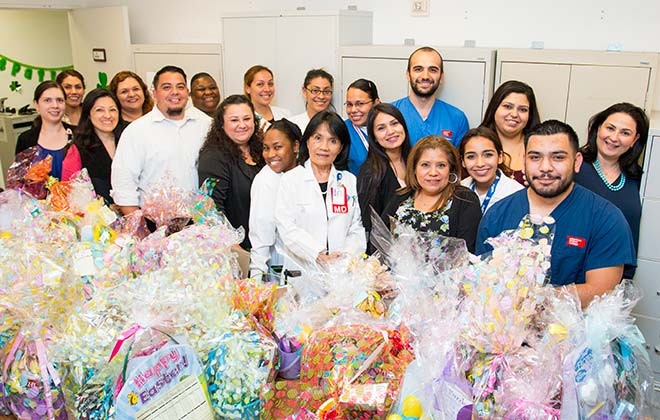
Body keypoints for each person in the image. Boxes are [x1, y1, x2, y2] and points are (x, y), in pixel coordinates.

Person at [476, 120, 636, 308]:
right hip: (504, 332)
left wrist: (536, 298)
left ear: (576, 162)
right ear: (524, 160)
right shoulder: (497, 215)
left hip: (575, 333)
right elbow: (483, 282)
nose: (545, 167)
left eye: (558, 157)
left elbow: (601, 291)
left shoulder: (605, 218)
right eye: (535, 157)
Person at [111, 65, 212, 215]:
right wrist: (141, 231)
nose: (175, 92)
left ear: (187, 93)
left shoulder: (205, 124)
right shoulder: (137, 131)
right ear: (154, 93)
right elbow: (124, 187)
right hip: (156, 226)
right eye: (166, 87)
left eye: (180, 86)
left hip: (200, 221)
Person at [275, 111, 365, 271]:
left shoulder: (349, 181)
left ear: (341, 147)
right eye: (318, 138)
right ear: (307, 141)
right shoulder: (290, 180)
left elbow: (356, 227)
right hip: (304, 271)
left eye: (333, 141)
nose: (324, 147)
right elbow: (287, 228)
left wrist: (345, 259)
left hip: (342, 272)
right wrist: (318, 254)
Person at [575, 103, 648, 279]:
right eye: (610, 128)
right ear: (598, 128)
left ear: (635, 140)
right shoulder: (574, 165)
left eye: (625, 133)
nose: (614, 138)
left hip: (619, 277)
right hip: (573, 275)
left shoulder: (637, 179)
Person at [382, 136, 481, 252]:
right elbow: (380, 240)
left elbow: (466, 252)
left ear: (451, 169)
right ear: (414, 168)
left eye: (441, 165)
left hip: (450, 270)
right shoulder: (401, 197)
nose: (433, 172)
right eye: (425, 165)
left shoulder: (465, 200)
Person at [198, 95, 264, 250]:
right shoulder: (213, 156)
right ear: (221, 124)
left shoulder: (261, 150)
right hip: (235, 249)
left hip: (262, 245)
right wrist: (234, 247)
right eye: (234, 120)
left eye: (247, 119)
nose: (242, 125)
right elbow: (209, 209)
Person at [249, 119, 301, 279]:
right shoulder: (266, 181)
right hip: (279, 266)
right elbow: (261, 237)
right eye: (266, 148)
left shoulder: (305, 173)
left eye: (277, 147)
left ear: (295, 146)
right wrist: (256, 280)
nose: (271, 155)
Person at [357, 103, 411, 248]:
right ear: (373, 136)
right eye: (381, 128)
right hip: (384, 253)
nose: (390, 131)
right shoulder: (370, 172)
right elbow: (370, 223)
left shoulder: (416, 162)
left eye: (394, 124)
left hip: (417, 248)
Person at [392, 47, 469, 147]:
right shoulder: (390, 114)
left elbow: (460, 160)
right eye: (418, 69)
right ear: (408, 75)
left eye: (433, 70)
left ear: (441, 77)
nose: (425, 76)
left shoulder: (457, 118)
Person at [13, 81, 80, 181]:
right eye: (47, 100)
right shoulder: (26, 139)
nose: (55, 105)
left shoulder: (78, 134)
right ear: (36, 104)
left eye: (60, 100)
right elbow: (19, 180)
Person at [480, 80, 541, 186]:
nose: (514, 114)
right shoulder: (475, 144)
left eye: (522, 109)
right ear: (494, 108)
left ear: (530, 115)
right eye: (508, 106)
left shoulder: (540, 148)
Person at [73, 88, 128, 203]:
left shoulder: (130, 137)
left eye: (112, 110)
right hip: (100, 216)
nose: (107, 115)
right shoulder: (78, 147)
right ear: (88, 114)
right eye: (100, 110)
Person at [459, 126, 523, 214]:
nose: (480, 164)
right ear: (463, 161)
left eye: (488, 155)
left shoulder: (516, 194)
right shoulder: (458, 190)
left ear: (500, 157)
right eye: (471, 157)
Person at [345, 78, 380, 175]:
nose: (353, 110)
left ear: (376, 103)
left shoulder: (388, 128)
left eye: (360, 104)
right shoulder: (343, 130)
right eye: (349, 104)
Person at [244, 65, 291, 131]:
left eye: (270, 84)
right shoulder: (244, 120)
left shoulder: (285, 114)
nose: (267, 89)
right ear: (247, 88)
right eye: (260, 84)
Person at [289, 69, 334, 133]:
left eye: (326, 91)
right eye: (315, 91)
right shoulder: (292, 125)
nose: (321, 96)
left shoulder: (341, 124)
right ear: (304, 91)